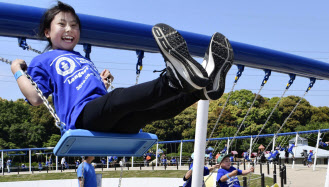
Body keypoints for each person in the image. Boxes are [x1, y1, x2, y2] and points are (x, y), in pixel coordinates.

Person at [11, 1, 234, 135]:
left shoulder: (83, 59)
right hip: (81, 118)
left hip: (110, 121)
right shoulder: (44, 60)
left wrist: (101, 82)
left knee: (148, 112)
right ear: (47, 32)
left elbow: (94, 96)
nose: (70, 29)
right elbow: (35, 97)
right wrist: (17, 70)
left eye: (74, 25)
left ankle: (200, 90)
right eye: (62, 24)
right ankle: (174, 80)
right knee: (118, 99)